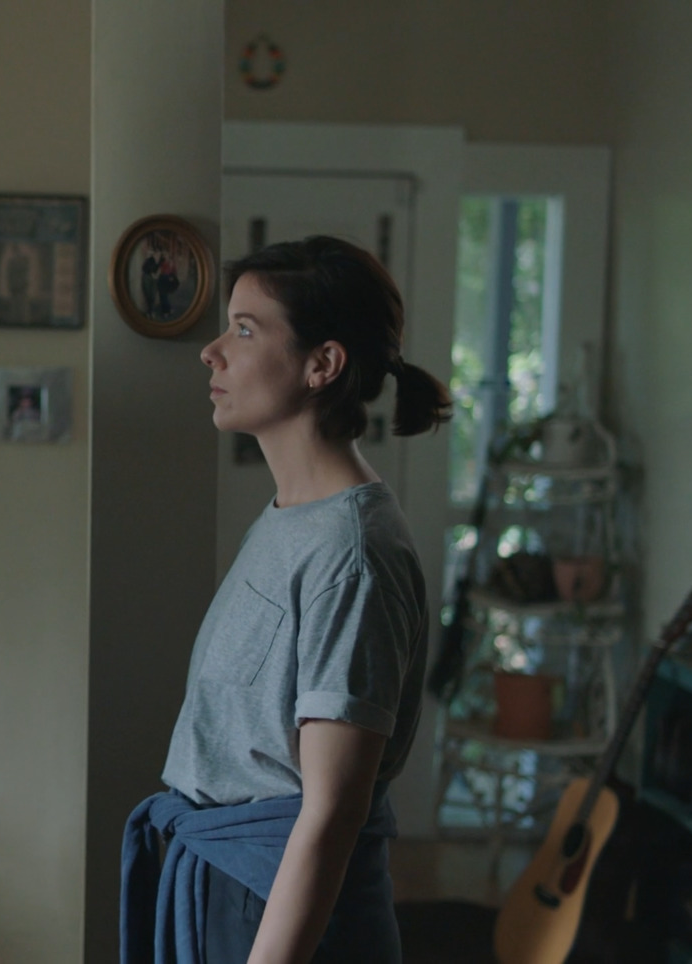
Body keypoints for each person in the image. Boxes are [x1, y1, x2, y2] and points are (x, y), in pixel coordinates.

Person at [121, 235, 452, 963]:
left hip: (284, 913)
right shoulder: (290, 518)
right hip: (234, 888)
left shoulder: (353, 553)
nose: (212, 352)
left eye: (244, 329)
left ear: (321, 364)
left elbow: (332, 812)